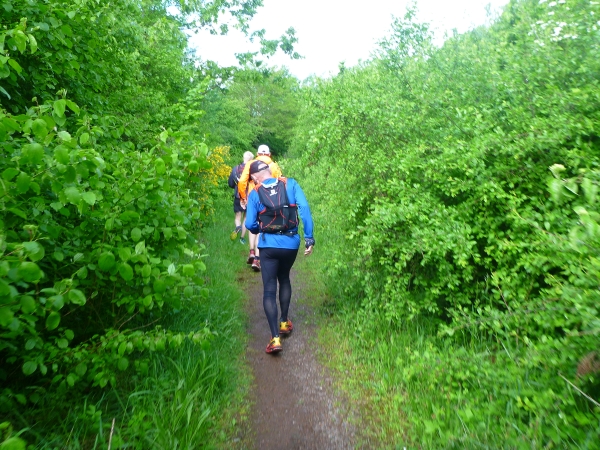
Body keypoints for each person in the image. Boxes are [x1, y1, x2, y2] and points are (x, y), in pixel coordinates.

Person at [244, 160, 315, 354]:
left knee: (269, 289)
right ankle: (284, 322)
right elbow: (304, 209)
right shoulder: (290, 184)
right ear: (269, 171)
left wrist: (260, 228)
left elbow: (249, 224)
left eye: (252, 178)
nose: (252, 181)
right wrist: (309, 237)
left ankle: (275, 339)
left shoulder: (255, 193)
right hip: (291, 243)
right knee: (284, 278)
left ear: (256, 176)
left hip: (268, 246)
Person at [238, 144, 282, 272]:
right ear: (269, 154)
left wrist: (243, 197)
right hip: (268, 199)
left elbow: (242, 182)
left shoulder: (250, 164)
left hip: (253, 197)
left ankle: (252, 251)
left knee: (252, 224)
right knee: (262, 226)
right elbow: (280, 182)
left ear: (257, 154)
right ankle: (257, 259)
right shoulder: (273, 165)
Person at [228, 151, 254, 244]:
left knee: (237, 216)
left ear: (243, 158)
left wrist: (236, 186)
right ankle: (242, 238)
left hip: (238, 196)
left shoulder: (235, 169)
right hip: (249, 197)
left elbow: (230, 183)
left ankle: (237, 226)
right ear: (251, 159)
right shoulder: (252, 170)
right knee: (246, 217)